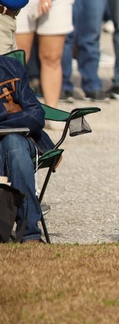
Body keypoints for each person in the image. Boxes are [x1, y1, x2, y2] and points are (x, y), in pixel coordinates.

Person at [0, 54, 53, 243]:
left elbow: (36, 116)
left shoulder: (10, 68)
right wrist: (7, 110)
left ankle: (29, 233)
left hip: (24, 140)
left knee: (12, 143)